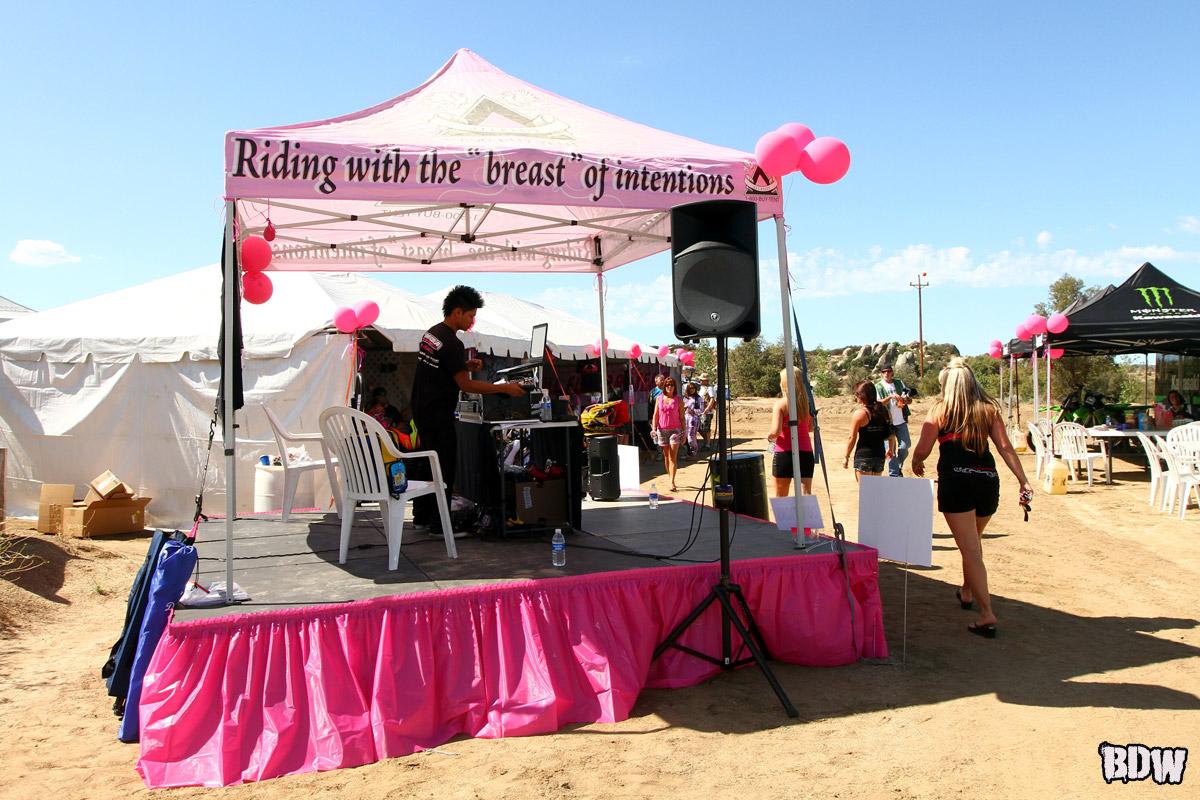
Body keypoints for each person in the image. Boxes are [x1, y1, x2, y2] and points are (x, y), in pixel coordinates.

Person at [910, 357, 1034, 639]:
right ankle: (966, 591)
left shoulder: (940, 410)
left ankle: (987, 614)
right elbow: (1005, 447)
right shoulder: (988, 409)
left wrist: (916, 462)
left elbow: (923, 448)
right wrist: (1023, 480)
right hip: (987, 481)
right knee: (973, 544)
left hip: (956, 482)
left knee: (970, 550)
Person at [409, 286, 524, 537]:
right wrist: (504, 388)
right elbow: (466, 385)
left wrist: (464, 365)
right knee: (443, 465)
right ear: (457, 312)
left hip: (421, 408)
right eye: (471, 315)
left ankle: (421, 517)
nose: (472, 321)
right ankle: (440, 526)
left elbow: (441, 368)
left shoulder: (432, 334)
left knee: (427, 462)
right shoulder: (452, 342)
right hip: (438, 412)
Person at [766, 367, 814, 497]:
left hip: (785, 452)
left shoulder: (780, 404)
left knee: (781, 498)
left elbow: (775, 432)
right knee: (806, 495)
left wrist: (769, 437)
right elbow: (810, 428)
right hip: (805, 451)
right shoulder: (807, 403)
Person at [843, 381, 895, 481]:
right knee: (874, 489)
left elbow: (852, 437)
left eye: (857, 394)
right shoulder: (884, 411)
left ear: (862, 396)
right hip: (879, 455)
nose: (856, 396)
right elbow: (891, 433)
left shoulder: (860, 414)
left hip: (864, 456)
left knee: (864, 490)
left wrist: (846, 456)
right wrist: (891, 449)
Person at [875, 365, 916, 477]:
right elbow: (878, 403)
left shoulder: (899, 383)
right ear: (881, 373)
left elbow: (908, 400)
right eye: (884, 371)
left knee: (905, 446)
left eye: (888, 371)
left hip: (901, 421)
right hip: (887, 423)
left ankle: (898, 467)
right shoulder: (878, 386)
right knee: (890, 451)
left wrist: (906, 400)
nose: (886, 373)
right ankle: (894, 475)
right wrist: (890, 397)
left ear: (892, 372)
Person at [651, 376, 685, 492]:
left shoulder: (678, 400)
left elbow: (682, 417)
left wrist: (684, 433)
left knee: (673, 457)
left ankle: (672, 481)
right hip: (662, 430)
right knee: (666, 456)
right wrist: (654, 429)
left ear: (675, 387)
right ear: (664, 387)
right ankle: (670, 476)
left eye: (671, 385)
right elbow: (656, 415)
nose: (669, 387)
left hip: (675, 430)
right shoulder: (659, 398)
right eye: (667, 385)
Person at [683, 381, 703, 457]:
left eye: (693, 388)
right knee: (685, 435)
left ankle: (694, 451)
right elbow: (682, 408)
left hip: (694, 419)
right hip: (685, 419)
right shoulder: (686, 398)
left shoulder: (699, 398)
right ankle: (688, 452)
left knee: (691, 436)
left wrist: (694, 411)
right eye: (690, 388)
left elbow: (701, 410)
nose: (692, 390)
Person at [697, 373, 716, 451]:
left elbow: (712, 399)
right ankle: (707, 441)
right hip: (701, 411)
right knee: (700, 427)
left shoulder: (710, 388)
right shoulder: (702, 388)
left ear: (706, 381)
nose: (700, 381)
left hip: (707, 412)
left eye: (702, 380)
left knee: (706, 427)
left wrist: (707, 409)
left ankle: (707, 444)